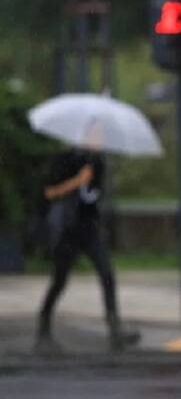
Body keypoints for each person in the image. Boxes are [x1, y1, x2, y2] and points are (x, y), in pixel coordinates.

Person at [36, 147, 138, 353]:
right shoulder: (65, 159)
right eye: (94, 133)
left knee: (107, 274)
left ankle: (114, 328)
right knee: (59, 280)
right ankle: (43, 326)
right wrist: (77, 181)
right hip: (67, 230)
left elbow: (94, 197)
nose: (98, 139)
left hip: (89, 229)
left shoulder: (97, 162)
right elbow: (50, 192)